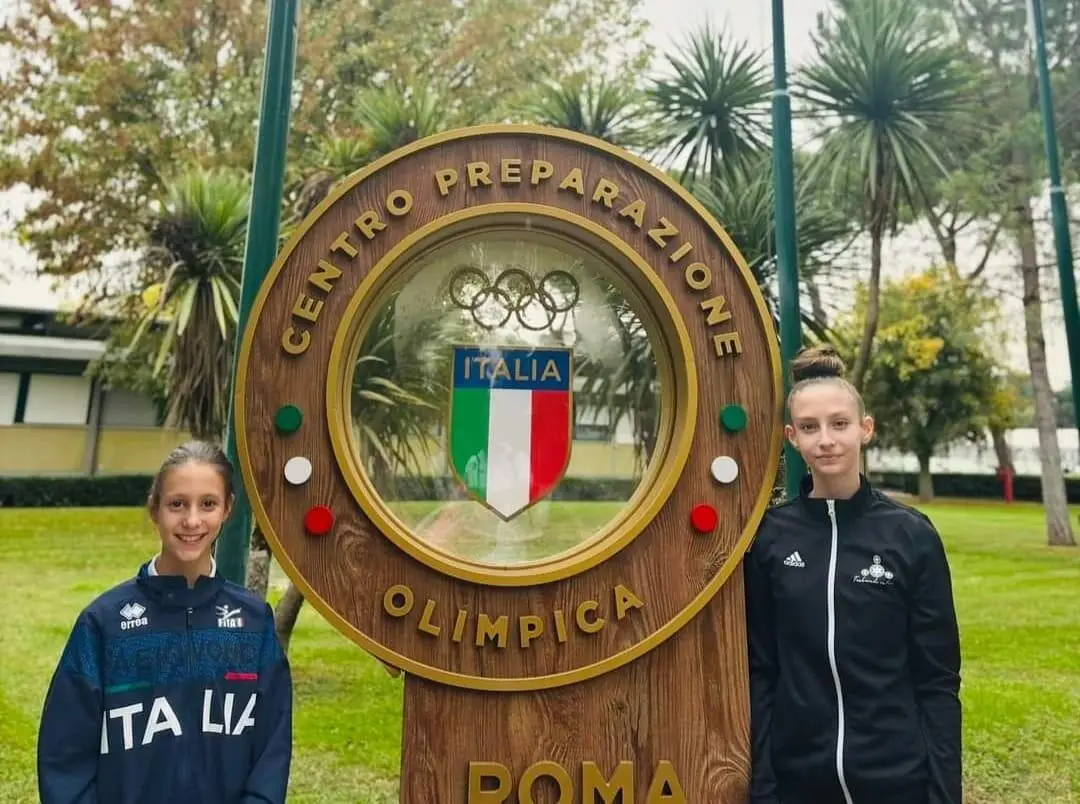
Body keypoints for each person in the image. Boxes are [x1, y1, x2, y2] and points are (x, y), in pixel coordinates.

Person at [745, 346, 962, 804]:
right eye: (810, 427)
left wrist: (944, 795)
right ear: (792, 437)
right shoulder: (769, 538)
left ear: (866, 429)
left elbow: (938, 682)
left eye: (839, 424)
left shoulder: (911, 536)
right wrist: (765, 788)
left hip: (896, 780)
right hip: (799, 782)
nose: (826, 440)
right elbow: (761, 672)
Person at [37, 441, 292, 804]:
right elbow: (64, 759)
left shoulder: (253, 623)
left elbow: (271, 753)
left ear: (227, 509)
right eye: (177, 504)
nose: (192, 520)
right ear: (154, 508)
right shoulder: (104, 624)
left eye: (208, 504)